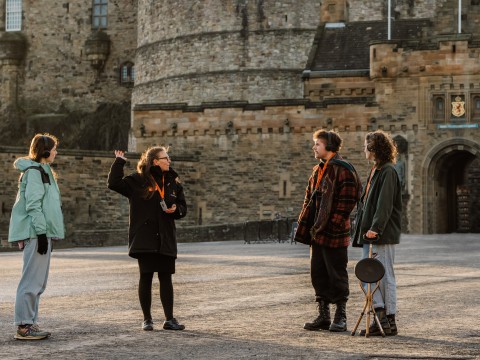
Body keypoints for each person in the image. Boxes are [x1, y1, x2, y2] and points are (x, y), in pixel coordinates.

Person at [107, 146, 187, 331]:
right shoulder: (138, 180)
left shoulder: (173, 181)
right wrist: (119, 162)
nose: (169, 161)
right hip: (145, 238)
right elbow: (113, 183)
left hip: (166, 237)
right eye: (165, 158)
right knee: (146, 277)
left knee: (166, 278)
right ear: (155, 161)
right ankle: (147, 320)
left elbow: (183, 206)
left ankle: (169, 319)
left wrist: (177, 210)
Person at [295, 129, 361, 333]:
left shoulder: (344, 169)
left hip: (334, 233)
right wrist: (308, 224)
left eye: (317, 144)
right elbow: (309, 198)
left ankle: (341, 316)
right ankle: (323, 316)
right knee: (318, 273)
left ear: (329, 146)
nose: (314, 147)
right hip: (317, 232)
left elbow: (348, 201)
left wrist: (332, 224)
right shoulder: (318, 169)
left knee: (337, 274)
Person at [8, 134, 65, 340]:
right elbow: (33, 205)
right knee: (31, 281)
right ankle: (24, 326)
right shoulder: (34, 173)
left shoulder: (43, 171)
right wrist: (41, 233)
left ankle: (29, 322)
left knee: (38, 282)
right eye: (54, 148)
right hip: (36, 233)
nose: (56, 152)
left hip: (42, 233)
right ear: (46, 151)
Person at [352, 130, 402, 336]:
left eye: (366, 146)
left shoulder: (388, 171)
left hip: (380, 233)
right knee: (370, 275)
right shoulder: (377, 170)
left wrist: (375, 228)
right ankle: (384, 318)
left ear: (374, 149)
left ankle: (386, 317)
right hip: (370, 232)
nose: (364, 150)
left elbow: (384, 204)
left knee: (383, 275)